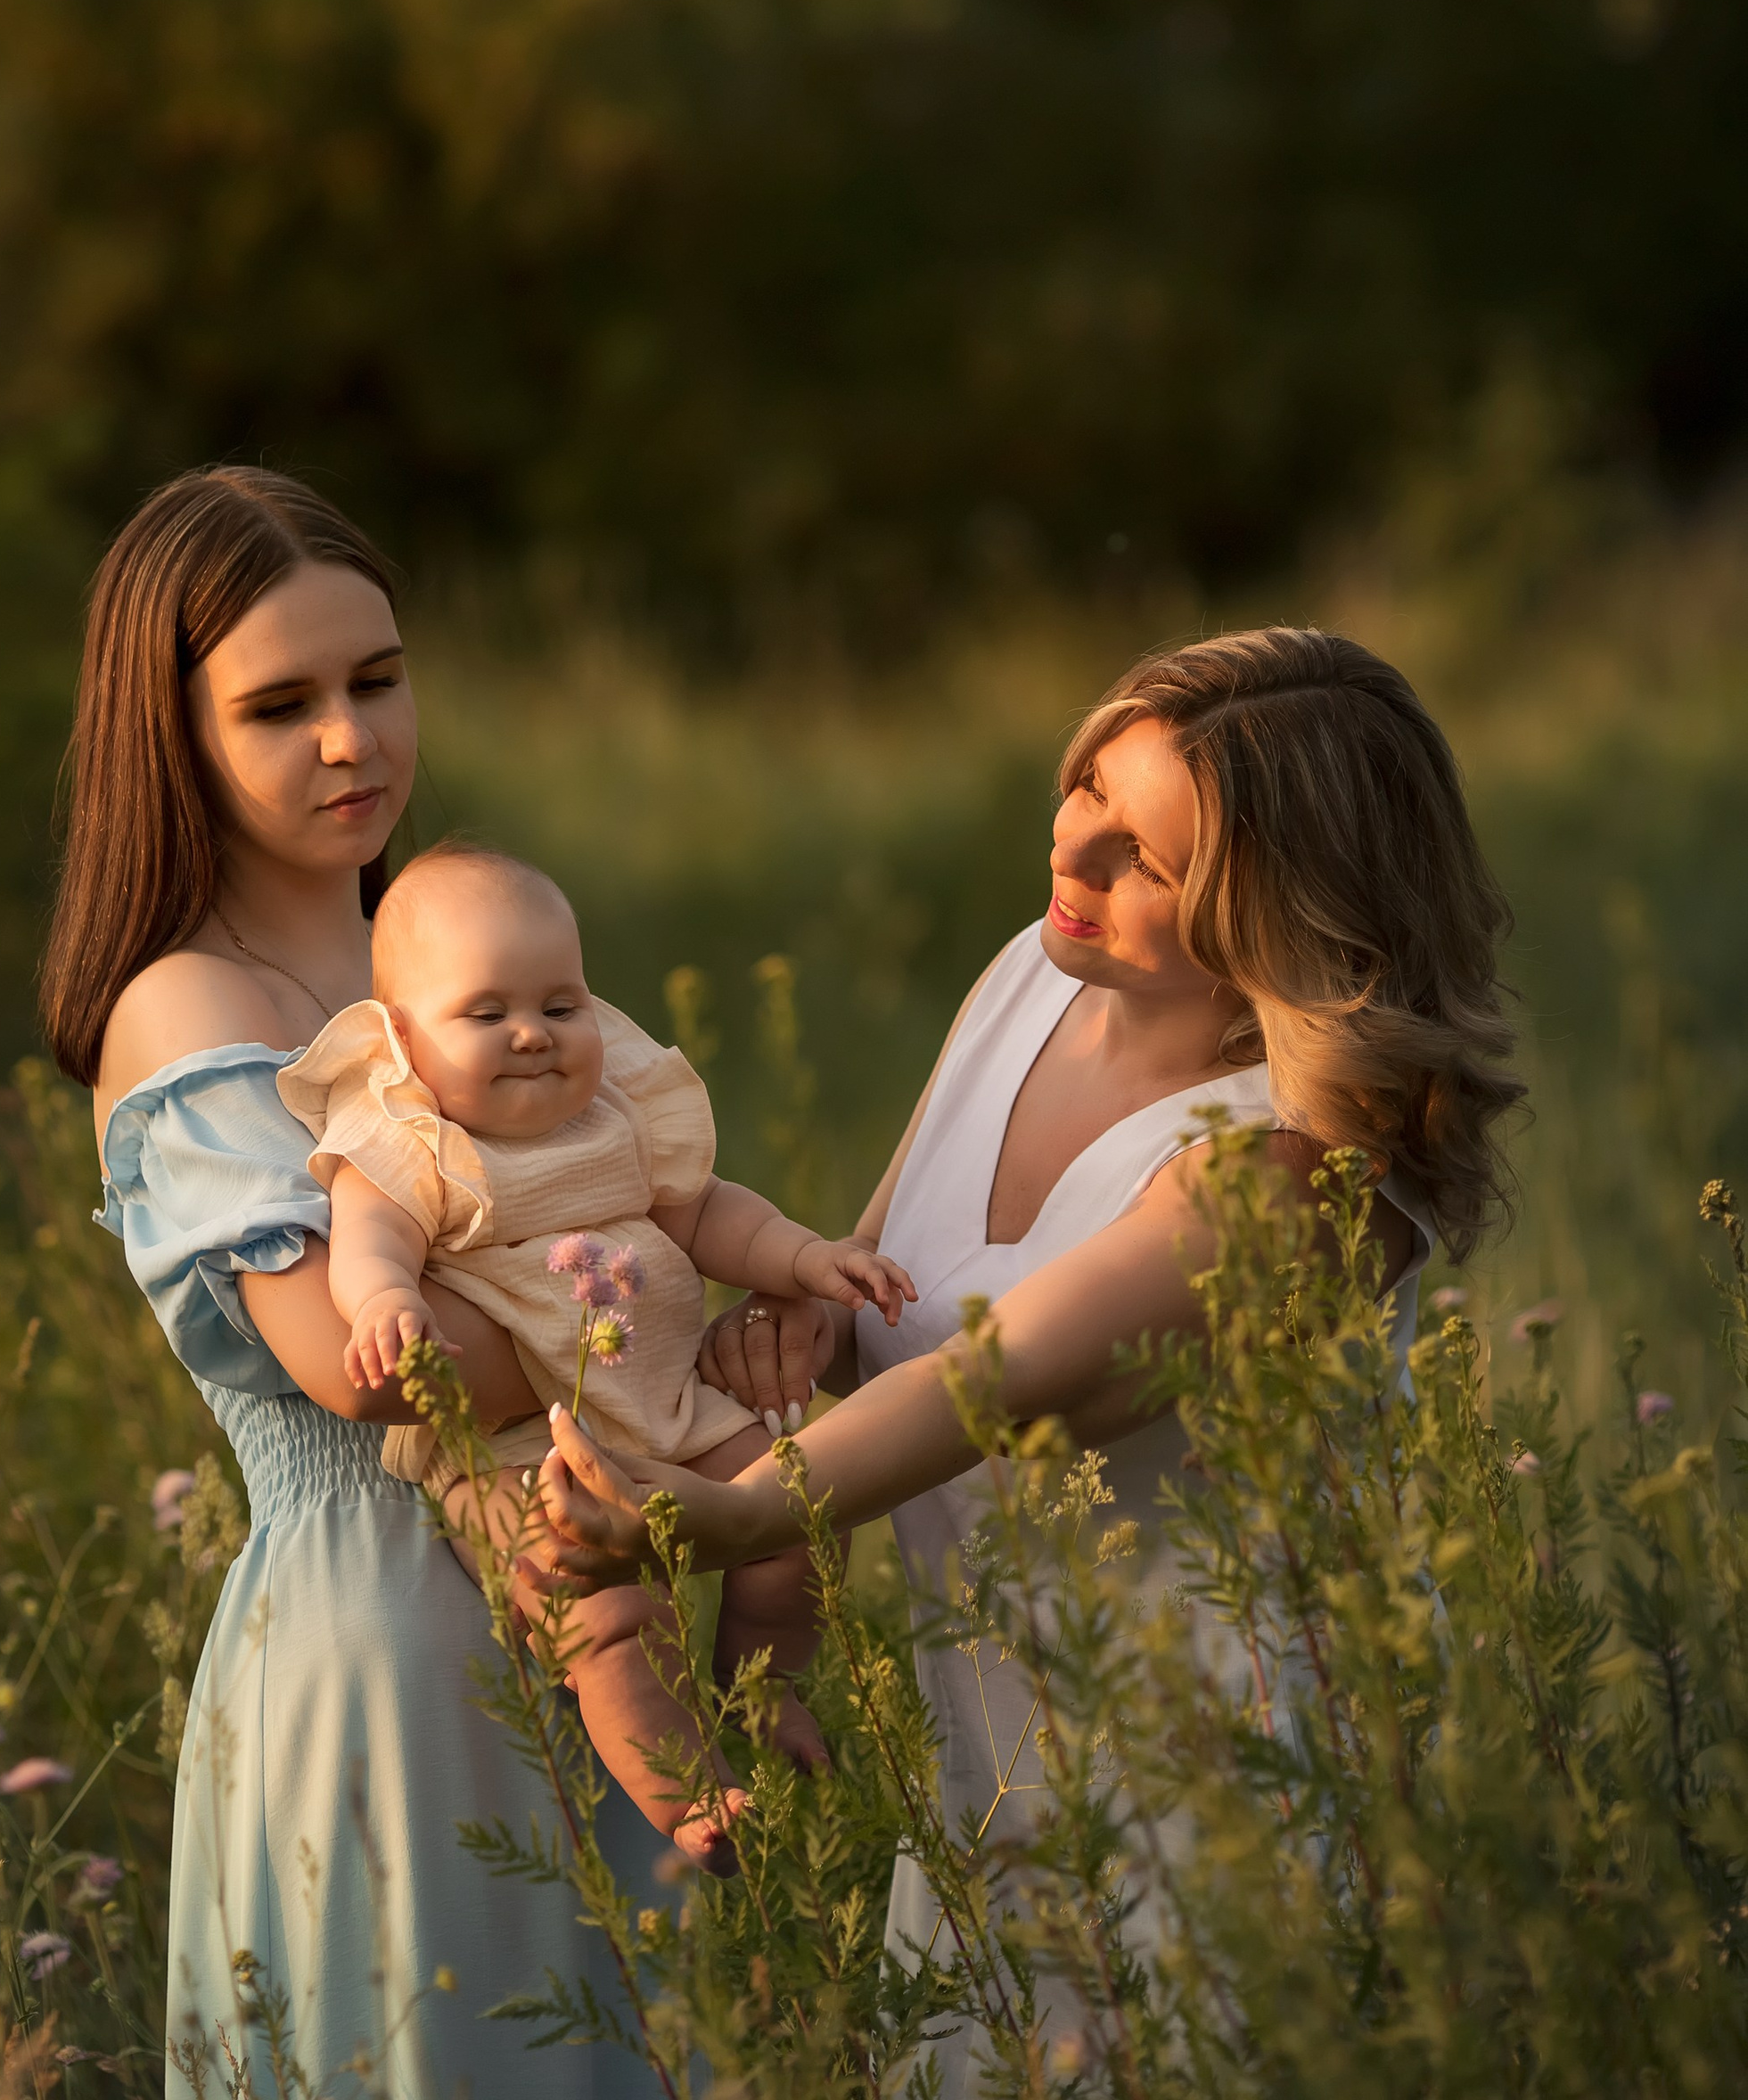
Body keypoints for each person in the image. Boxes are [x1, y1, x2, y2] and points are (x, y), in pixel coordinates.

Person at [534, 627, 1523, 2076]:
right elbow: (897, 1290)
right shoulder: (1038, 975)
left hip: (1201, 1780)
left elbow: (999, 1374)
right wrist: (811, 1315)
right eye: (1087, 790)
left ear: (1285, 910)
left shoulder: (1290, 1170)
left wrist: (736, 1512)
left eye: (1149, 856)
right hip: (989, 1755)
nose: (1079, 850)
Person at [42, 467, 661, 2100]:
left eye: (376, 681)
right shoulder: (187, 1010)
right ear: (170, 735)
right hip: (383, 1638)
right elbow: (364, 1363)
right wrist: (642, 1301)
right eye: (280, 705)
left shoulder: (447, 961)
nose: (351, 740)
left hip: (587, 1590)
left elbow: (657, 1195)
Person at [278, 835, 912, 1866]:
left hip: (667, 1402)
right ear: (399, 1038)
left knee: (801, 1513)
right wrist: (388, 1301)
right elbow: (370, 1242)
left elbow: (706, 1213)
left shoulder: (617, 1111)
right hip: (524, 1446)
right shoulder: (411, 1137)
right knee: (607, 1612)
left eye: (560, 1006)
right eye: (485, 1014)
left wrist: (802, 1258)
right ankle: (692, 1801)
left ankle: (764, 1691)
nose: (531, 1035)